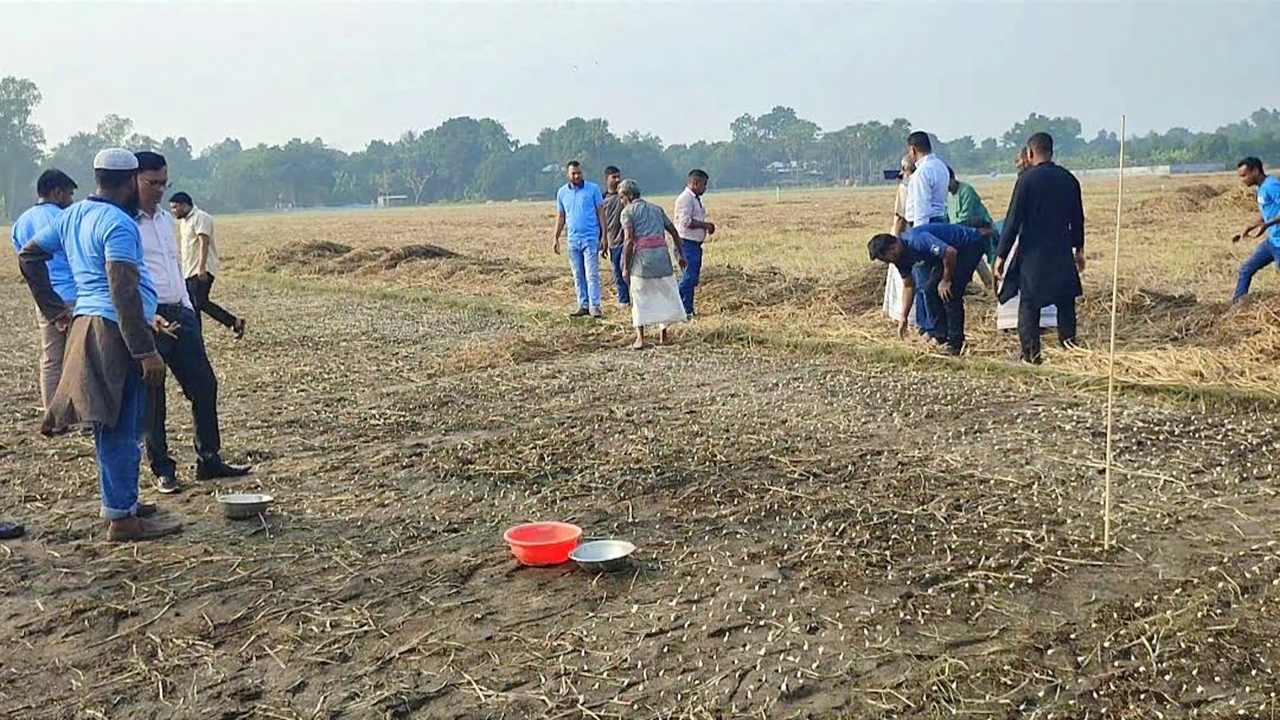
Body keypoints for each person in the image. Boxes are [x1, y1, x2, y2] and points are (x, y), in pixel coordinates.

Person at [18, 148, 181, 542]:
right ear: (128, 182)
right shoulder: (118, 224)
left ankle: (122, 499)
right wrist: (146, 351)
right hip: (114, 330)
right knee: (121, 423)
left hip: (86, 323)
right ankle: (122, 519)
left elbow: (29, 257)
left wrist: (56, 308)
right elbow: (122, 289)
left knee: (115, 421)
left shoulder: (72, 215)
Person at [135, 152, 250, 494]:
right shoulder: (125, 221)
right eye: (151, 183)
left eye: (163, 183)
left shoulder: (163, 221)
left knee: (204, 384)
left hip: (180, 311)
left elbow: (172, 266)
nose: (159, 190)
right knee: (154, 395)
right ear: (132, 180)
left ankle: (209, 459)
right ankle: (162, 469)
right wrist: (145, 315)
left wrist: (186, 306)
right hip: (149, 317)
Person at [994, 133, 1085, 364]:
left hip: (1034, 254)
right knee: (1065, 304)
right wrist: (1079, 249)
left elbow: (1013, 219)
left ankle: (1031, 356)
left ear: (1030, 153)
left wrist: (1001, 255)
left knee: (1029, 306)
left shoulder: (1026, 181)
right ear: (1051, 151)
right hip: (1061, 251)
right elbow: (1078, 218)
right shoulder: (1069, 179)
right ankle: (1071, 351)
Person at [10, 169, 78, 418]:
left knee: (51, 357)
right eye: (69, 194)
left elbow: (24, 259)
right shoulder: (66, 218)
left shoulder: (21, 222)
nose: (71, 199)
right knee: (76, 357)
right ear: (57, 192)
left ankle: (53, 413)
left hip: (44, 298)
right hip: (72, 294)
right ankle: (75, 410)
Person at [868, 223, 990, 355]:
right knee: (929, 290)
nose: (886, 263)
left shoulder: (917, 240)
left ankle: (955, 344)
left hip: (968, 246)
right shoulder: (899, 259)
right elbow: (909, 286)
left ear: (892, 248)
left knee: (950, 292)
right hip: (946, 256)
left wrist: (946, 280)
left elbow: (950, 252)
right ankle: (940, 336)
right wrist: (904, 316)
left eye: (884, 258)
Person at [618, 179, 687, 349]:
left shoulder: (627, 212)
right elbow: (674, 232)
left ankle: (640, 338)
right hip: (662, 257)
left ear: (628, 196)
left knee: (639, 296)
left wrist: (626, 267)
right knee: (664, 294)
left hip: (642, 260)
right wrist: (680, 254)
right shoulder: (657, 209)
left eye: (621, 197)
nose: (621, 201)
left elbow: (628, 241)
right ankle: (663, 334)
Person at [170, 192, 246, 339]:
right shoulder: (185, 222)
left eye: (175, 207)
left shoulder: (201, 218)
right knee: (196, 303)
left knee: (198, 303)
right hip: (188, 270)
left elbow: (204, 243)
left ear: (185, 205)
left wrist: (201, 267)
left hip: (201, 269)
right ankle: (233, 323)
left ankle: (197, 336)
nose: (173, 211)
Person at [905, 132, 949, 337]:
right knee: (935, 276)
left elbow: (922, 208)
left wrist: (918, 238)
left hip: (925, 225)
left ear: (913, 150)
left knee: (923, 280)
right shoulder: (940, 167)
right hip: (940, 222)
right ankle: (937, 324)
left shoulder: (921, 174)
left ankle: (928, 327)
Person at [553, 161, 607, 317]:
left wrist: (604, 235)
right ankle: (582, 304)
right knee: (578, 274)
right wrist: (555, 237)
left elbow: (601, 213)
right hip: (573, 239)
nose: (576, 176)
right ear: (567, 174)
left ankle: (594, 305)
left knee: (592, 273)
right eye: (573, 173)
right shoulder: (562, 193)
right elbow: (561, 216)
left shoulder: (593, 190)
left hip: (590, 237)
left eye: (579, 173)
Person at [1229, 157, 1280, 301]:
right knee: (1246, 269)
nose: (1242, 180)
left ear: (1255, 171)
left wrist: (1266, 226)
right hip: (1272, 242)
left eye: (1244, 175)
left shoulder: (1272, 185)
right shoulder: (1261, 187)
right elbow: (1267, 212)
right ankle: (1237, 305)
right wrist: (1249, 227)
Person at [674, 169, 716, 319]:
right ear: (695, 183)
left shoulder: (695, 199)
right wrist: (706, 226)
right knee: (689, 278)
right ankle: (672, 303)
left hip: (694, 245)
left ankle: (687, 311)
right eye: (704, 185)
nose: (705, 188)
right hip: (686, 244)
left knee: (692, 280)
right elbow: (686, 222)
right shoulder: (685, 199)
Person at [946, 166, 996, 289]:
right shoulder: (948, 197)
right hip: (964, 234)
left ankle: (992, 287)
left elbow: (965, 218)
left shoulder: (966, 190)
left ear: (951, 178)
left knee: (991, 259)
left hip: (982, 229)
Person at [883, 155, 918, 323]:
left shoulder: (905, 188)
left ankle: (904, 315)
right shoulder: (921, 183)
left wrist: (894, 239)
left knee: (904, 279)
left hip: (904, 236)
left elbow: (900, 217)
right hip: (920, 232)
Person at [601, 166, 629, 306]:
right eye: (614, 177)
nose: (617, 180)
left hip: (627, 241)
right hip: (612, 242)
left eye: (619, 176)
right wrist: (602, 240)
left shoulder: (625, 196)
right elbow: (600, 222)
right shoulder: (602, 199)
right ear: (606, 179)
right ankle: (623, 301)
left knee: (627, 271)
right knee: (617, 273)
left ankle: (632, 299)